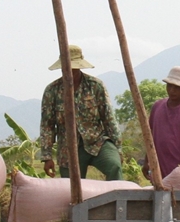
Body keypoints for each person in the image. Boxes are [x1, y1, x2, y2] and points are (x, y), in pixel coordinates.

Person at [38, 44, 121, 180]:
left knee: (114, 166)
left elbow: (108, 118)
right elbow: (47, 126)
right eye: (66, 69)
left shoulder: (95, 86)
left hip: (97, 142)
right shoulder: (52, 91)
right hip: (68, 149)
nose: (70, 72)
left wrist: (118, 148)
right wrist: (47, 157)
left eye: (73, 69)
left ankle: (116, 199)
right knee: (71, 187)